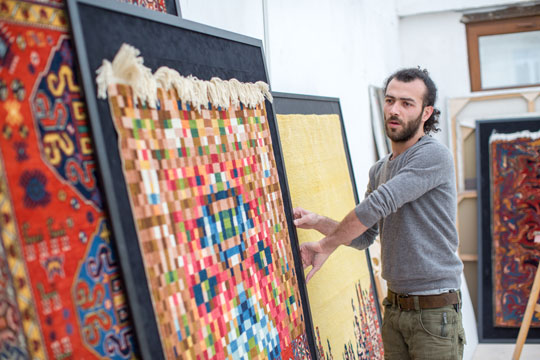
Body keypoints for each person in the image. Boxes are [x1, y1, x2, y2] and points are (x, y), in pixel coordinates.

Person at [295, 67, 465, 359]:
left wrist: (326, 245)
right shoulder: (379, 169)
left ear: (426, 113)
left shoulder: (433, 155)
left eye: (406, 103)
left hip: (435, 313)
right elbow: (365, 236)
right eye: (389, 100)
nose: (394, 110)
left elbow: (379, 204)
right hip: (395, 308)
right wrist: (319, 223)